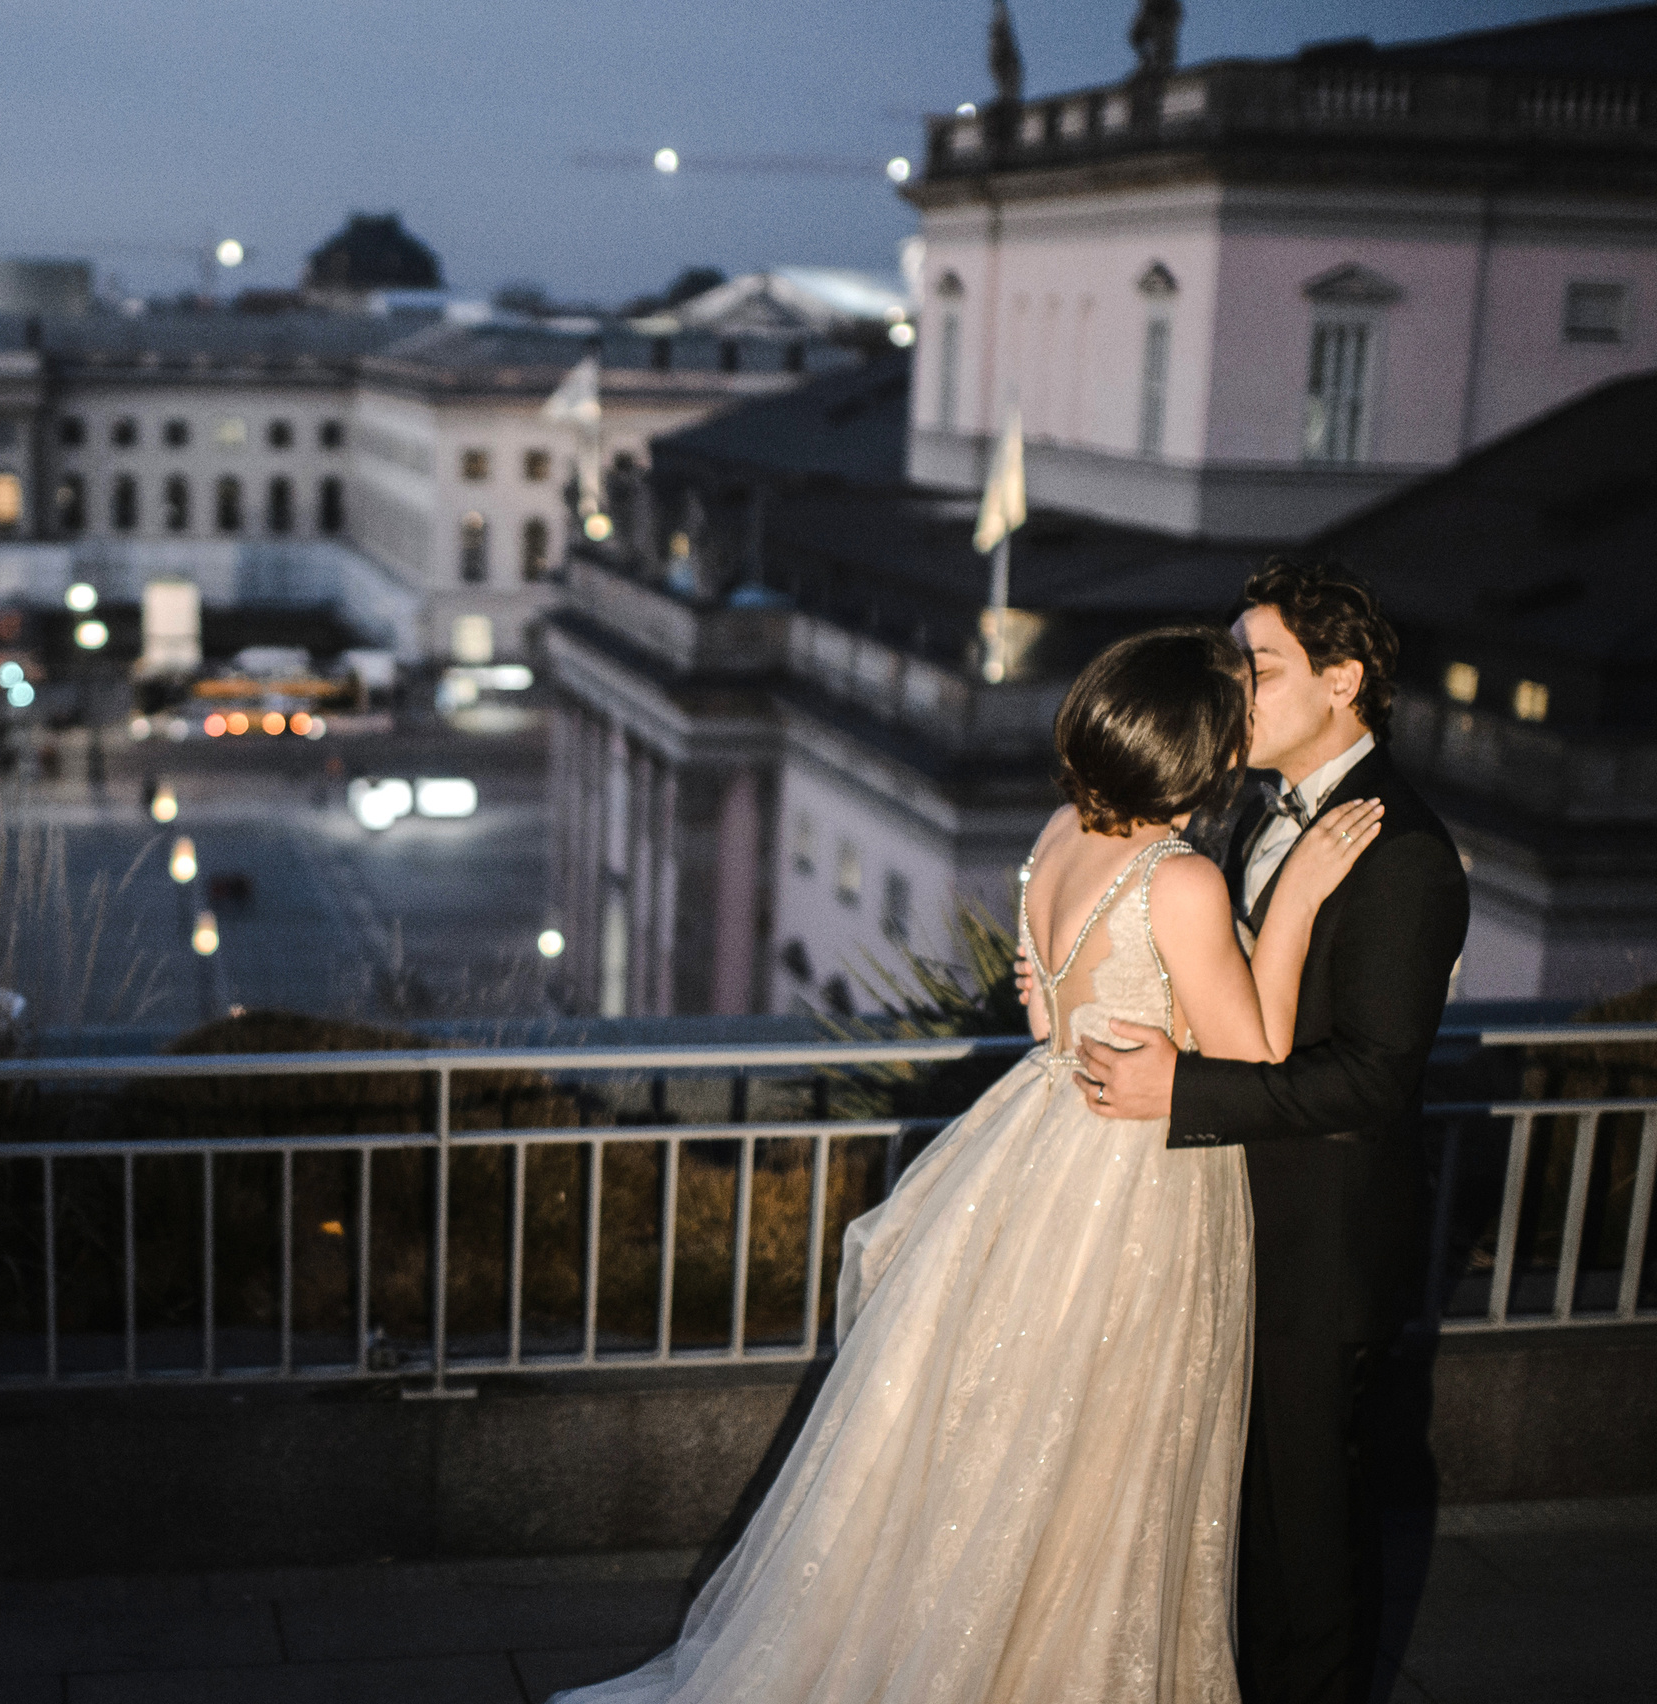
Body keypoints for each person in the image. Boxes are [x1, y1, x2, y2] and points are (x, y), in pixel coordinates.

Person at [551, 625, 1381, 1704]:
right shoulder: (1175, 880)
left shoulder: (1059, 832)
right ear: (1204, 755)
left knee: (1009, 1436)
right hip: (1137, 1180)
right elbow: (1258, 1050)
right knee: (1108, 1449)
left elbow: (1045, 1004)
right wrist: (1302, 896)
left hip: (1039, 1143)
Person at [1075, 562, 1469, 1704]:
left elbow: (1374, 1081)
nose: (1233, 688)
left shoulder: (1401, 852)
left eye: (1261, 666)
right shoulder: (1250, 807)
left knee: (1309, 1538)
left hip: (1319, 1250)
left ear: (1341, 682)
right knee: (1239, 1525)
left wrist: (1180, 1095)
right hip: (1227, 1228)